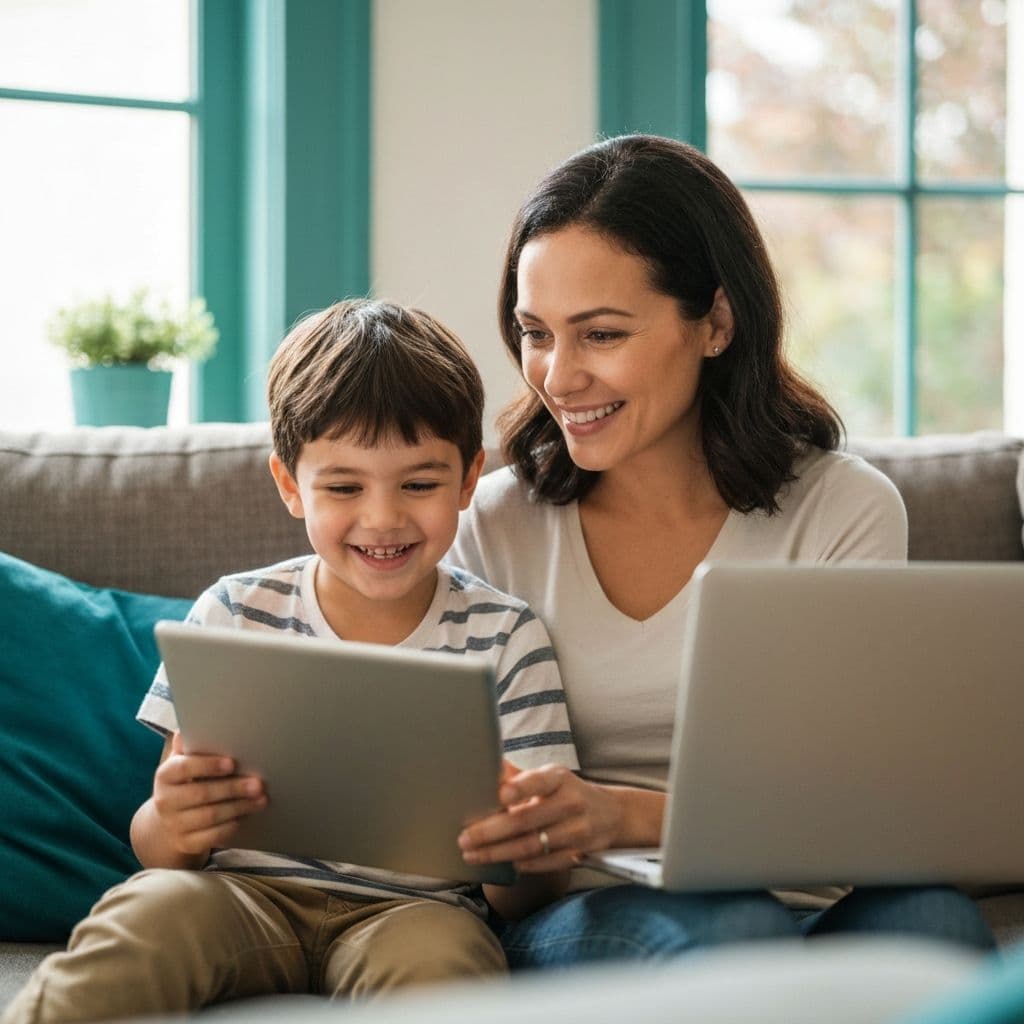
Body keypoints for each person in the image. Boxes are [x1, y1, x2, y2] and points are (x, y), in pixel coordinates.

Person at [450, 134, 996, 966]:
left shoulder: (841, 509)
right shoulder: (493, 524)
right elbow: (481, 840)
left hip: (806, 907)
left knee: (938, 927)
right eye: (535, 333)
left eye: (599, 335)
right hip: (591, 916)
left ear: (716, 323)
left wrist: (627, 812)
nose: (556, 378)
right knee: (735, 930)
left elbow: (861, 807)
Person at [3, 299, 578, 1024]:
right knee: (149, 911)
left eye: (420, 484)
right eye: (343, 487)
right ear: (287, 484)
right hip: (239, 898)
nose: (383, 518)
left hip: (416, 912)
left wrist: (518, 848)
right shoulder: (235, 613)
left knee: (448, 966)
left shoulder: (507, 637)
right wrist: (174, 823)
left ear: (469, 480)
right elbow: (157, 844)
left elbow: (531, 892)